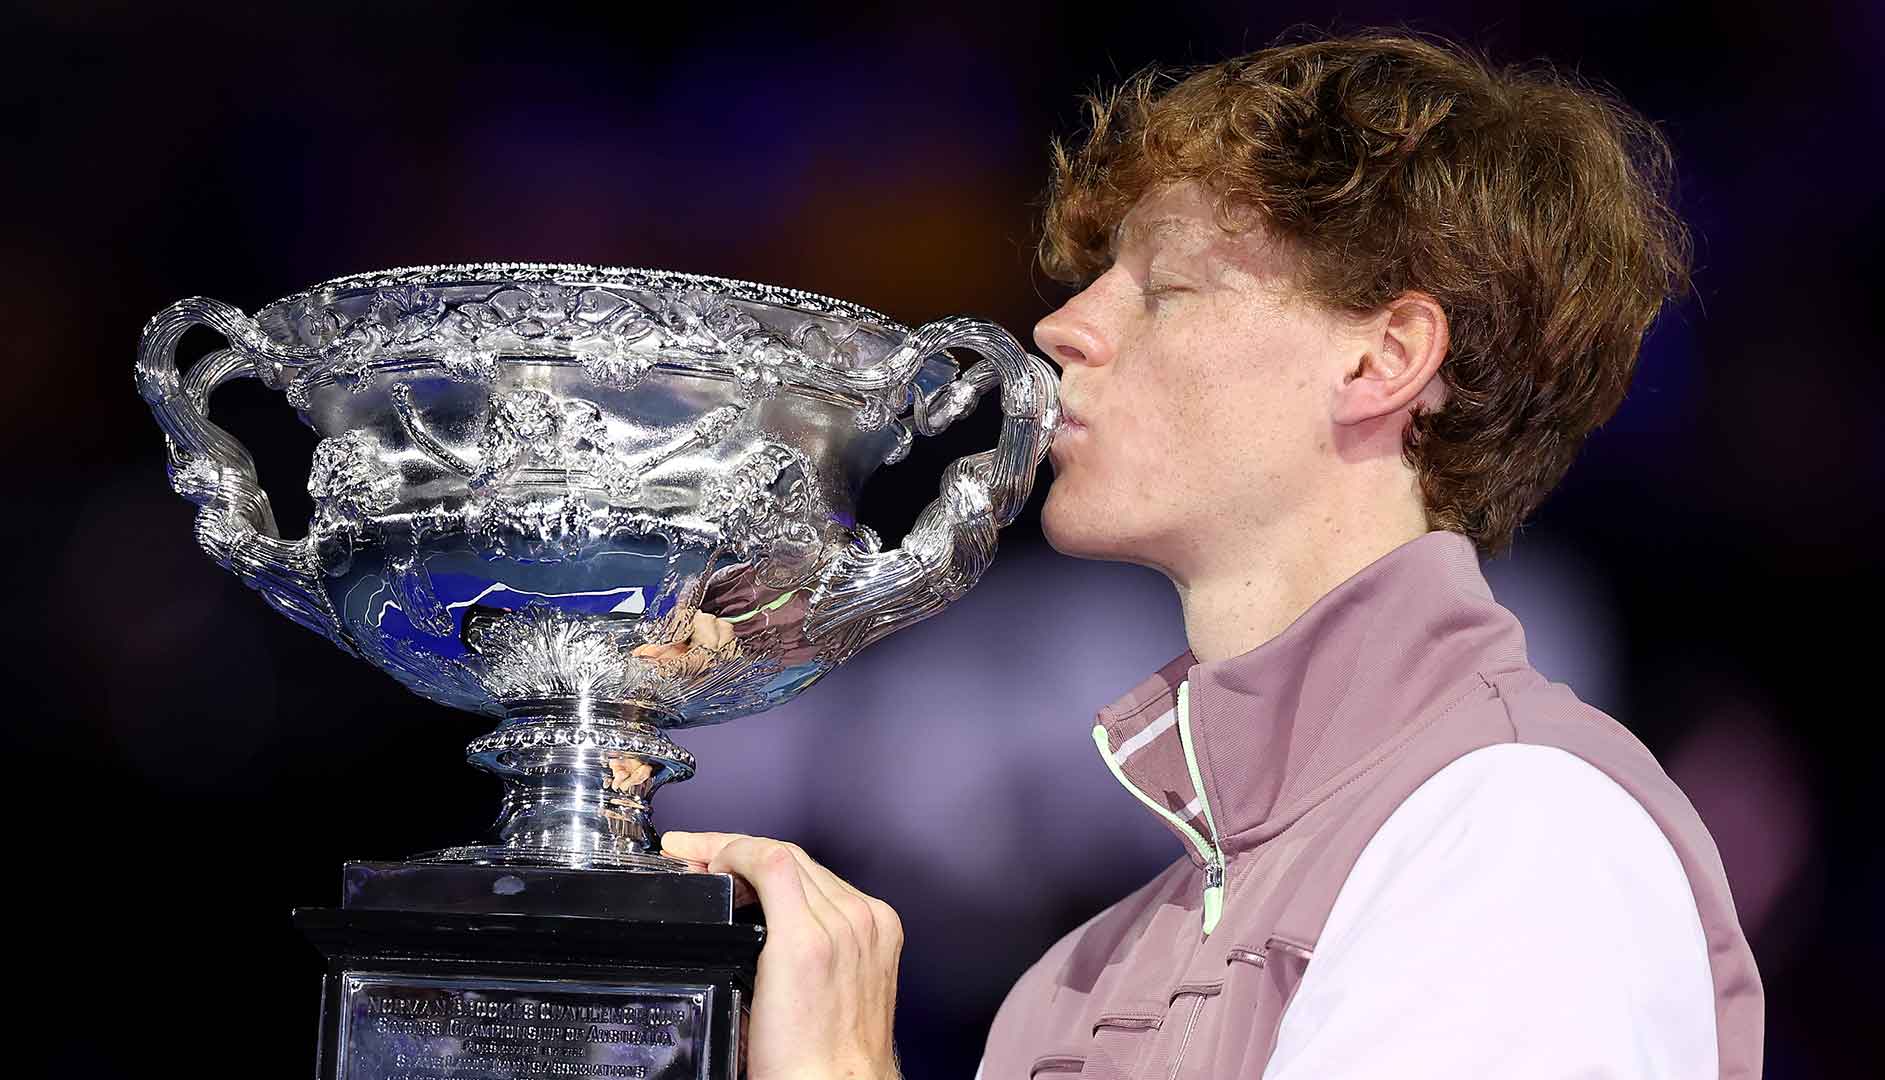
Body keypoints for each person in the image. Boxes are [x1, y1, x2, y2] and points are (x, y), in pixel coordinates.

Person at [663, 29, 1764, 1079]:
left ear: (1383, 358)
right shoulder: (1077, 980)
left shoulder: (1522, 827)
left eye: (1167, 289)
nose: (1061, 328)